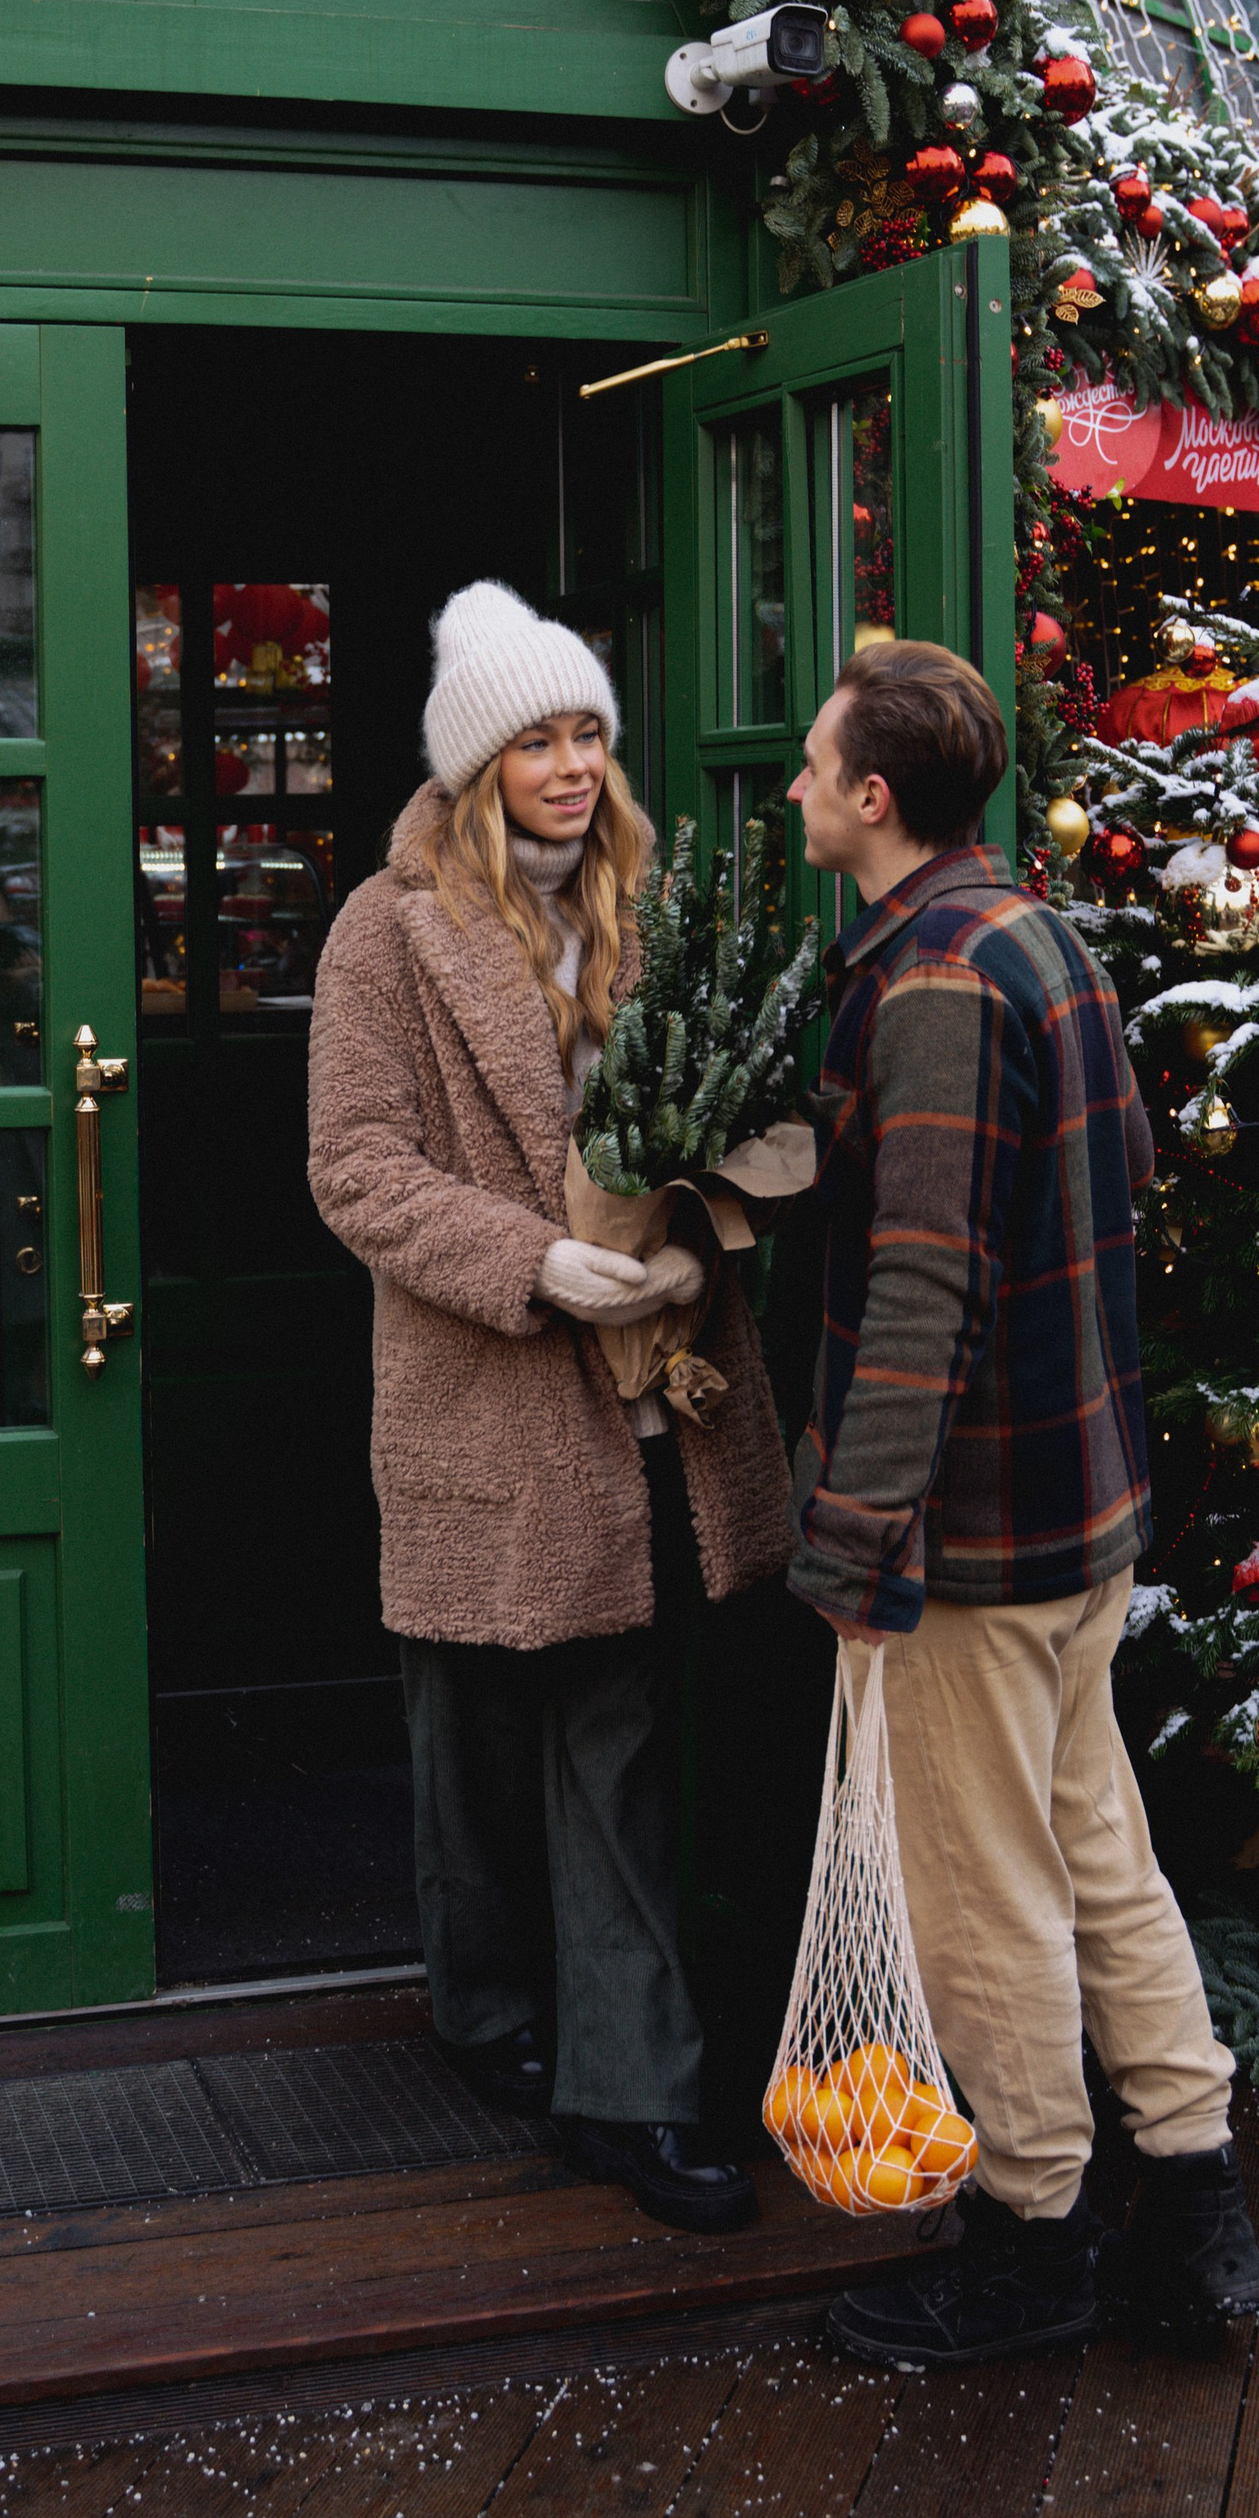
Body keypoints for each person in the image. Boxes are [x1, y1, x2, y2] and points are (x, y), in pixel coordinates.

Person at [785, 637, 1259, 2369]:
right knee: (1101, 1856)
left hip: (971, 1544)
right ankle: (1199, 2211)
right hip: (1087, 1515)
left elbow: (920, 1290)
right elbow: (1121, 1168)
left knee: (986, 1893)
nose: (789, 789)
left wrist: (853, 1538)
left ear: (874, 797)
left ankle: (1034, 2246)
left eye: (812, 764)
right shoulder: (1042, 936)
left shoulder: (925, 983)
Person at [309, 581, 791, 2230]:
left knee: (618, 1732)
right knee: (472, 1733)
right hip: (492, 1398)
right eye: (541, 738)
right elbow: (356, 1168)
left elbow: (724, 1124)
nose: (576, 764)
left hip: (667, 1393)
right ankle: (489, 2009)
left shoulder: (651, 908)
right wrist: (539, 1267)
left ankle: (631, 2093)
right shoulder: (387, 931)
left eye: (591, 731)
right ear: (475, 765)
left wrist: (690, 1253)